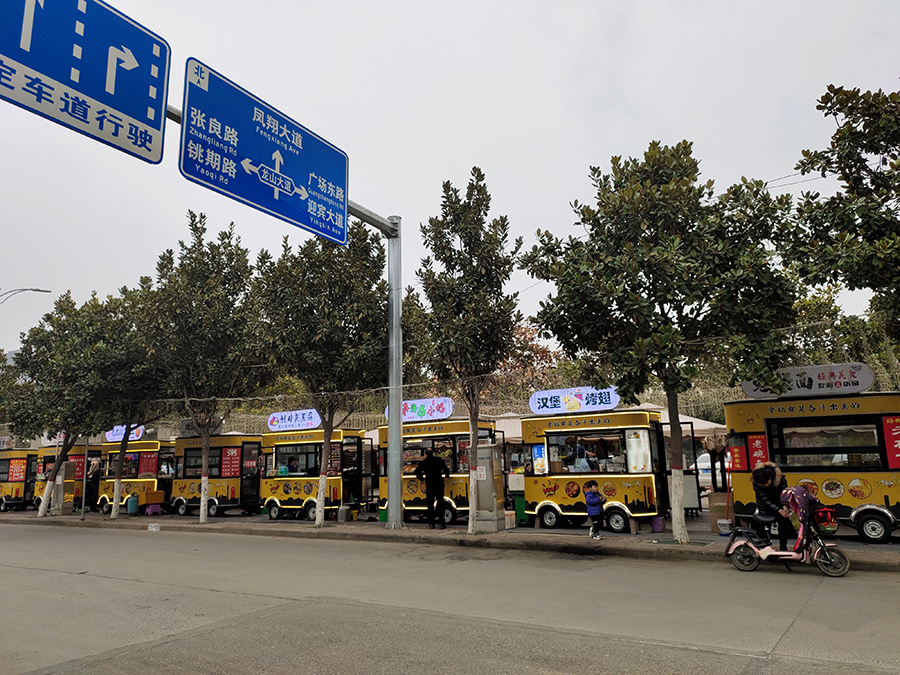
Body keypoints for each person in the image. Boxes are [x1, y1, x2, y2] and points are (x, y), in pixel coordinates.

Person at [751, 464, 793, 550]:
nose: (766, 485)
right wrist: (778, 509)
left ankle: (783, 547)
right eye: (762, 484)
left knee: (784, 522)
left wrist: (784, 505)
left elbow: (784, 492)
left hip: (779, 502)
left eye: (767, 482)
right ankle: (765, 547)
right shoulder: (756, 482)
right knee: (762, 525)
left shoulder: (779, 478)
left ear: (770, 477)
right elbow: (764, 499)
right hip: (764, 506)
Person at [414, 448, 450, 529]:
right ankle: (441, 524)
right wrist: (446, 476)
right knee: (440, 504)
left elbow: (416, 471)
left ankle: (431, 523)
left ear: (425, 454)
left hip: (429, 485)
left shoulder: (424, 462)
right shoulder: (438, 460)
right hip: (439, 484)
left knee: (430, 505)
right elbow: (446, 469)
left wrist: (422, 479)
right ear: (433, 453)